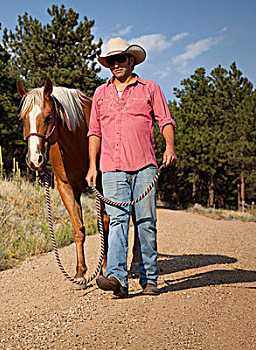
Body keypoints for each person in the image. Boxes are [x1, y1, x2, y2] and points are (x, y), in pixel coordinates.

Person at [85, 37, 177, 298]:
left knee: (146, 222)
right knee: (117, 221)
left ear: (131, 60)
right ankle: (117, 278)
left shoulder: (150, 89)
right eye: (111, 61)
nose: (116, 64)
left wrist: (169, 148)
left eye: (120, 59)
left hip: (145, 166)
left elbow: (165, 120)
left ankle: (149, 278)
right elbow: (94, 132)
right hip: (111, 169)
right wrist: (93, 166)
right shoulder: (100, 94)